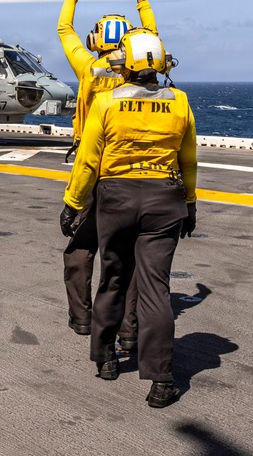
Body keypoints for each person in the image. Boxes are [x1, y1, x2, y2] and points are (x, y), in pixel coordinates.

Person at [60, 27, 198, 409]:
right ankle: (161, 380)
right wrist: (191, 204)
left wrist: (72, 203)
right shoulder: (180, 101)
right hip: (165, 199)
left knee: (113, 278)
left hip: (115, 197)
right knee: (155, 289)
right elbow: (188, 160)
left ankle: (105, 359)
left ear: (126, 64)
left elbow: (88, 160)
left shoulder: (108, 102)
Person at [56, 0, 157, 344]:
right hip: (136, 172)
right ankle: (129, 331)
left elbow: (65, 28)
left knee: (81, 248)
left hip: (94, 169)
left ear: (97, 39)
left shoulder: (87, 66)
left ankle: (83, 318)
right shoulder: (139, 70)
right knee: (126, 257)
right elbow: (152, 35)